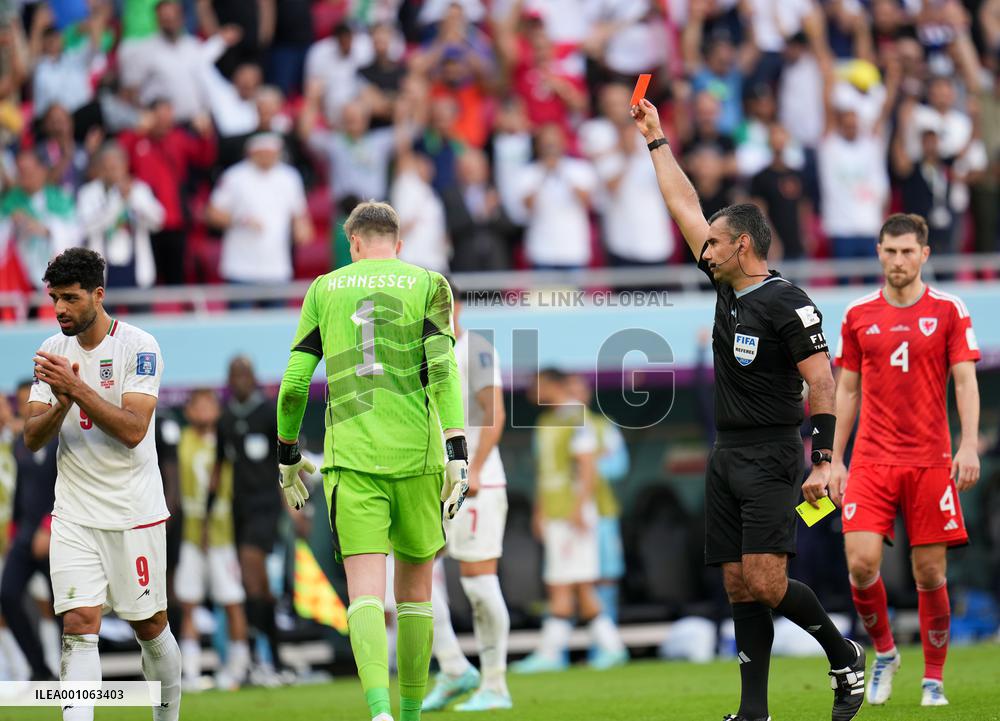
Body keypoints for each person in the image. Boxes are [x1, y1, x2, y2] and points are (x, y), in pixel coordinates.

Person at [632, 97, 865, 721]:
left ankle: (843, 656)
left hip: (772, 453)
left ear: (741, 246)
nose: (701, 250)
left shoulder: (789, 303)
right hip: (726, 453)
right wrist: (657, 141)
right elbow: (684, 205)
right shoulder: (724, 283)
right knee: (737, 584)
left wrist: (822, 462)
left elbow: (822, 379)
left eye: (712, 243)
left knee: (765, 580)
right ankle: (754, 712)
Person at [275, 200, 469, 721]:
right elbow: (444, 373)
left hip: (352, 461)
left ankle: (379, 713)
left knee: (364, 595)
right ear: (398, 244)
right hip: (419, 457)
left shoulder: (322, 289)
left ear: (352, 242)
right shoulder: (431, 283)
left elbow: (294, 385)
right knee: (416, 598)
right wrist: (457, 449)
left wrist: (287, 454)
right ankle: (410, 715)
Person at [830, 213, 981, 708]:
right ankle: (886, 653)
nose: (898, 261)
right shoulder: (856, 314)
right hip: (872, 459)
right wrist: (835, 460)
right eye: (890, 251)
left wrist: (969, 443)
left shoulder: (949, 309)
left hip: (930, 460)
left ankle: (933, 678)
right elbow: (847, 389)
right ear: (878, 252)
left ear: (924, 255)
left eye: (907, 252)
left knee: (930, 574)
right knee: (860, 563)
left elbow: (964, 380)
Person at [23, 247, 181, 721]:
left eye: (70, 298)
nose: (60, 310)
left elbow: (134, 430)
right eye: (54, 299)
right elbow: (31, 438)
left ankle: (167, 715)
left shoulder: (139, 346)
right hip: (73, 512)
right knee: (78, 624)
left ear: (98, 294)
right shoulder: (52, 351)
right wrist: (60, 404)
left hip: (134, 511)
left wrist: (76, 390)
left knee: (150, 626)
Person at [423, 283, 511, 712]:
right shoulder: (425, 353)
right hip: (433, 484)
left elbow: (493, 415)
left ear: (454, 306)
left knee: (477, 582)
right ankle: (455, 668)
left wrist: (473, 469)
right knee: (409, 576)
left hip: (477, 482)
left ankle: (495, 684)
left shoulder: (474, 349)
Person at [512, 368, 626, 674]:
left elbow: (587, 467)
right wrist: (539, 512)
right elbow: (544, 473)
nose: (528, 392)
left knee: (564, 585)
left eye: (534, 385)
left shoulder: (578, 418)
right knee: (577, 586)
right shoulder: (545, 422)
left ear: (551, 385)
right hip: (555, 514)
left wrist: (579, 507)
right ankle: (612, 647)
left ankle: (550, 654)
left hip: (572, 515)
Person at [214, 356, 287, 681]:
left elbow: (285, 460)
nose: (240, 380)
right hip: (238, 508)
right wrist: (208, 513)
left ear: (254, 377)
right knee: (254, 586)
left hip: (266, 505)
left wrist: (293, 508)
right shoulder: (226, 418)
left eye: (245, 374)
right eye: (234, 375)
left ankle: (266, 660)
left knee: (251, 567)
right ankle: (269, 659)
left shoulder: (269, 411)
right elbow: (219, 466)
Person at [175, 388, 250, 691]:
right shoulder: (181, 442)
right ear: (189, 412)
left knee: (232, 601)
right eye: (198, 406)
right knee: (188, 602)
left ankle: (237, 670)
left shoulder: (227, 440)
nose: (205, 411)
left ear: (218, 411)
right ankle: (190, 674)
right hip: (190, 535)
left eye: (210, 405)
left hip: (223, 534)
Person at [0, 380, 58, 681]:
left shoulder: (62, 437)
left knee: (65, 609)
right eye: (22, 401)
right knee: (7, 595)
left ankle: (74, 675)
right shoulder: (19, 442)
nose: (26, 407)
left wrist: (48, 526)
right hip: (24, 536)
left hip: (58, 535)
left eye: (30, 400)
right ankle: (39, 669)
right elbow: (21, 491)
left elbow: (70, 486)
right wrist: (14, 532)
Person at [206, 132, 312, 289]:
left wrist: (301, 228)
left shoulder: (289, 177)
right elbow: (212, 214)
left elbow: (300, 215)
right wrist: (240, 220)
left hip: (277, 267)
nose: (267, 157)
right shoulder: (234, 176)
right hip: (240, 267)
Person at [77, 141, 165, 289]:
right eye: (107, 168)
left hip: (136, 270)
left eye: (115, 167)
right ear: (100, 169)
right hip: (103, 271)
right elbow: (85, 228)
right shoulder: (88, 193)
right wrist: (116, 201)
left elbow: (158, 221)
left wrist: (133, 199)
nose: (112, 172)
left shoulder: (139, 190)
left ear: (125, 166)